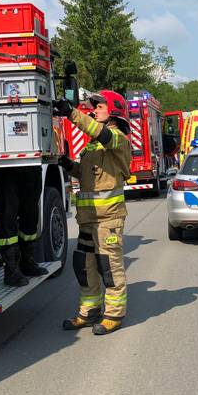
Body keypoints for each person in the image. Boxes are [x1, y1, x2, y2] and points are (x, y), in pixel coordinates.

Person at [56, 91, 132, 335]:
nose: (94, 109)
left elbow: (98, 131)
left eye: (99, 106)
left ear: (114, 111)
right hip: (88, 220)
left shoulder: (118, 139)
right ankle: (89, 311)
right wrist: (67, 164)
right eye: (94, 106)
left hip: (108, 219)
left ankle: (113, 314)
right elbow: (87, 175)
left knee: (109, 267)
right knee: (85, 265)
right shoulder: (94, 145)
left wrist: (71, 112)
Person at [0, 166, 49, 287]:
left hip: (31, 167)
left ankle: (27, 263)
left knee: (31, 216)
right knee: (8, 218)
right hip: (6, 169)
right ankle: (11, 270)